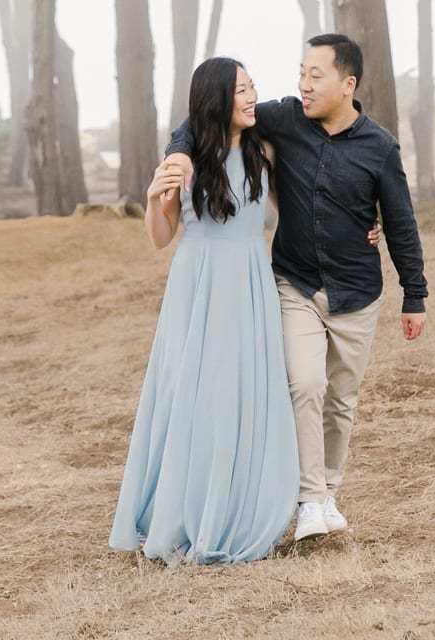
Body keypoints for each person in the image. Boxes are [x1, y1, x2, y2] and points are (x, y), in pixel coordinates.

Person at [166, 34, 428, 543]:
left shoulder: (380, 147)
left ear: (347, 84)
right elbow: (203, 115)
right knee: (305, 384)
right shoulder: (284, 118)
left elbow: (400, 223)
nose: (303, 84)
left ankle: (326, 492)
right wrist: (179, 153)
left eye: (316, 75)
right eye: (301, 72)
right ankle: (309, 501)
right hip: (295, 282)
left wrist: (414, 295)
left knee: (342, 400)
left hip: (357, 292)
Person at [109, 57, 298, 563]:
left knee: (240, 392)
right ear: (217, 98)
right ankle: (184, 510)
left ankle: (237, 506)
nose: (252, 95)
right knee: (192, 396)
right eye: (241, 89)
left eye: (252, 85)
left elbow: (294, 213)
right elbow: (161, 237)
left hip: (250, 282)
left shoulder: (265, 151)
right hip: (197, 283)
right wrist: (154, 199)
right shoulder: (184, 160)